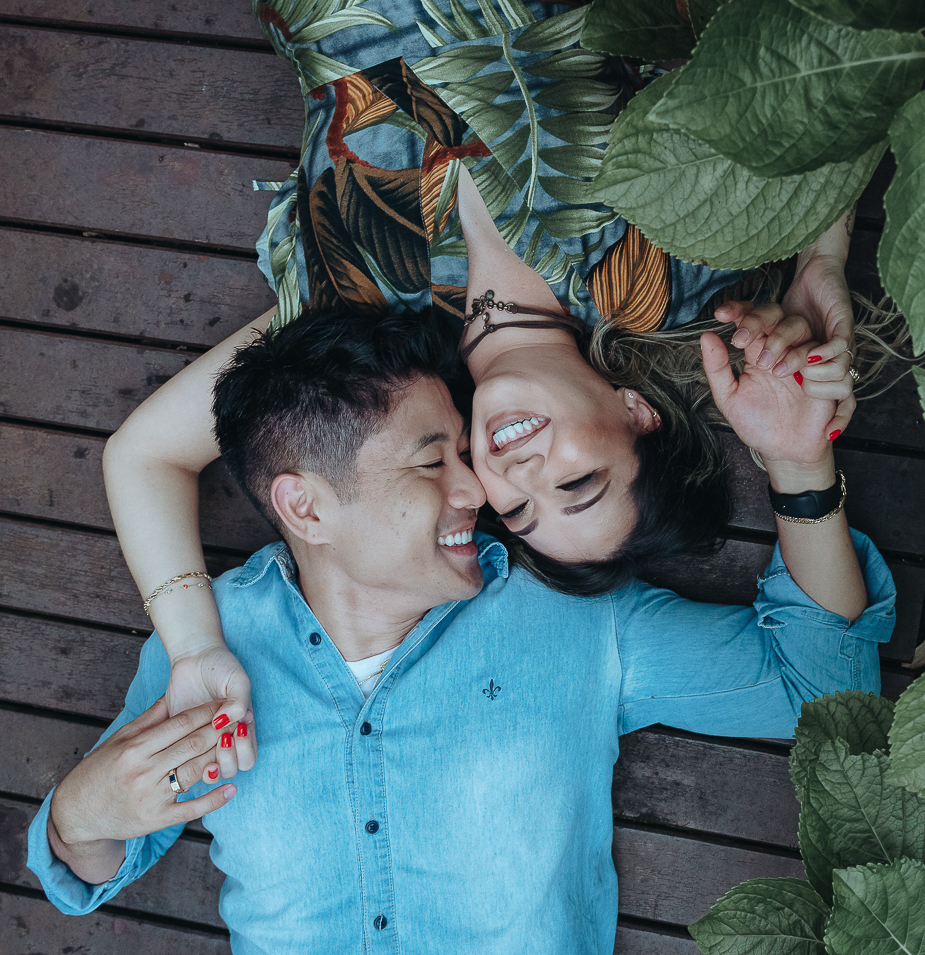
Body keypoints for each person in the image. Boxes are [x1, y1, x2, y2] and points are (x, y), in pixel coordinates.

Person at [102, 0, 862, 739]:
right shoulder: (668, 275)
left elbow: (146, 455)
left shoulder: (367, 344)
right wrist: (822, 266)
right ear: (635, 412)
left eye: (520, 509)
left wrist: (196, 646)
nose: (523, 474)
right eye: (575, 483)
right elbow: (836, 68)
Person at [29, 308, 895, 953]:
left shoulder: (570, 621)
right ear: (305, 505)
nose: (480, 491)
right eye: (430, 459)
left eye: (464, 454)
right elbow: (90, 858)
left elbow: (820, 694)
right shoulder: (204, 649)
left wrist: (799, 465)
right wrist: (83, 809)